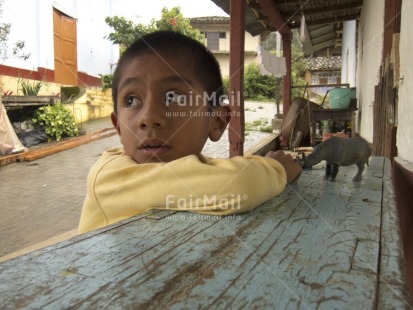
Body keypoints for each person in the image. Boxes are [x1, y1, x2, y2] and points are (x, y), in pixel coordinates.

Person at [78, 31, 302, 234]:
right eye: (131, 100)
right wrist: (278, 168)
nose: (148, 118)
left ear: (217, 121)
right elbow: (240, 185)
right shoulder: (110, 177)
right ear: (118, 126)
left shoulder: (195, 170)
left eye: (174, 97)